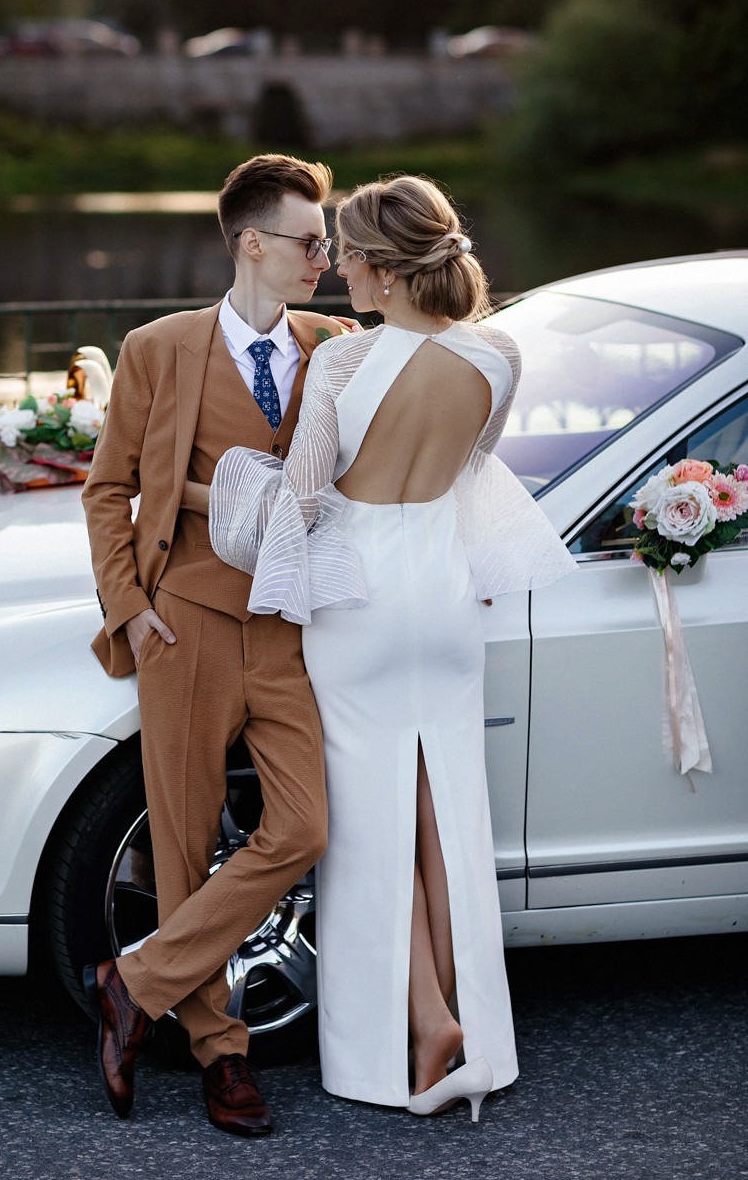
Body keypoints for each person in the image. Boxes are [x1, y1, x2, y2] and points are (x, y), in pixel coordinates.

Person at [210, 174, 576, 1120]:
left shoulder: (339, 366)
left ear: (377, 268)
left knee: (373, 825)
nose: (336, 277)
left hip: (360, 601)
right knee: (449, 813)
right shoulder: (497, 357)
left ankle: (410, 1034)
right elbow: (472, 464)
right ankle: (466, 1028)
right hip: (445, 595)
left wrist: (224, 493)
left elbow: (299, 503)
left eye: (346, 258)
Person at [82, 152, 350, 1138]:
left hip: (287, 631)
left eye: (322, 243)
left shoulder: (339, 345)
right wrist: (130, 608)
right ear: (250, 243)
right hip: (184, 623)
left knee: (302, 828)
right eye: (306, 241)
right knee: (182, 845)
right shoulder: (157, 349)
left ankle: (131, 983)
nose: (322, 257)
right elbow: (108, 489)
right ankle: (221, 1057)